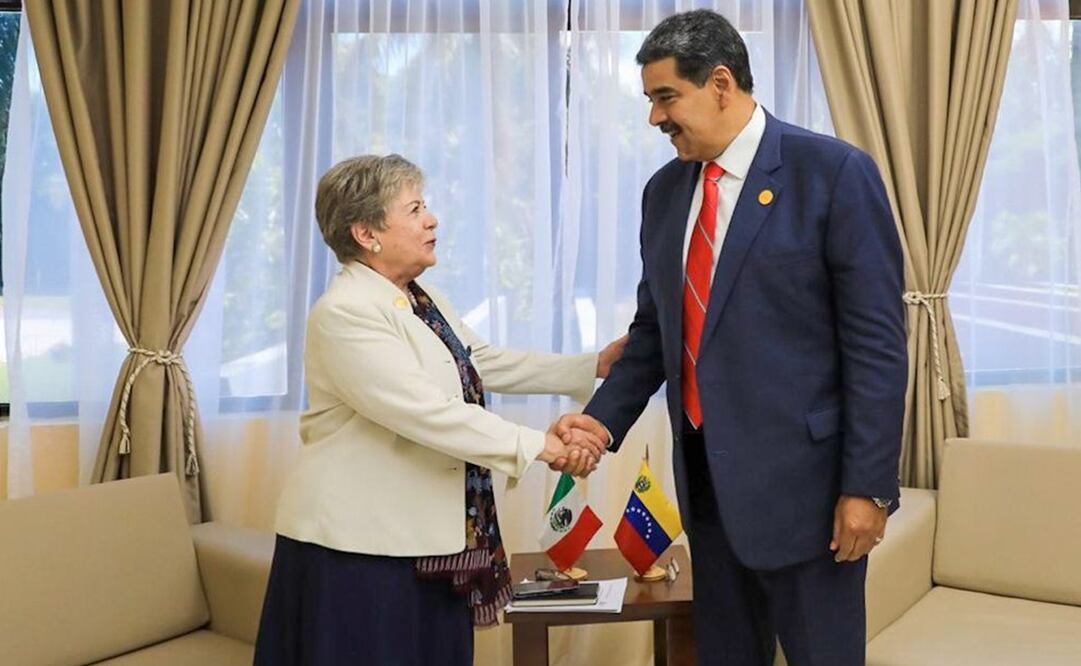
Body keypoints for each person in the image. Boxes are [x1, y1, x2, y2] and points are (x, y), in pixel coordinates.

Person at [556, 10, 907, 666]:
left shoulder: (830, 173)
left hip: (810, 497)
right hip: (708, 491)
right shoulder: (663, 193)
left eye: (665, 98)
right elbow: (655, 330)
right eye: (649, 101)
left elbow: (877, 348)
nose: (654, 119)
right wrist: (599, 425)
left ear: (720, 83)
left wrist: (867, 487)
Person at [254, 154, 622, 665]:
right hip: (360, 547)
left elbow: (479, 361)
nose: (432, 219)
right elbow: (426, 412)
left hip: (429, 539)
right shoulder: (346, 312)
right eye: (415, 209)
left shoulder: (417, 298)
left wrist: (592, 366)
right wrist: (542, 446)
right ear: (366, 232)